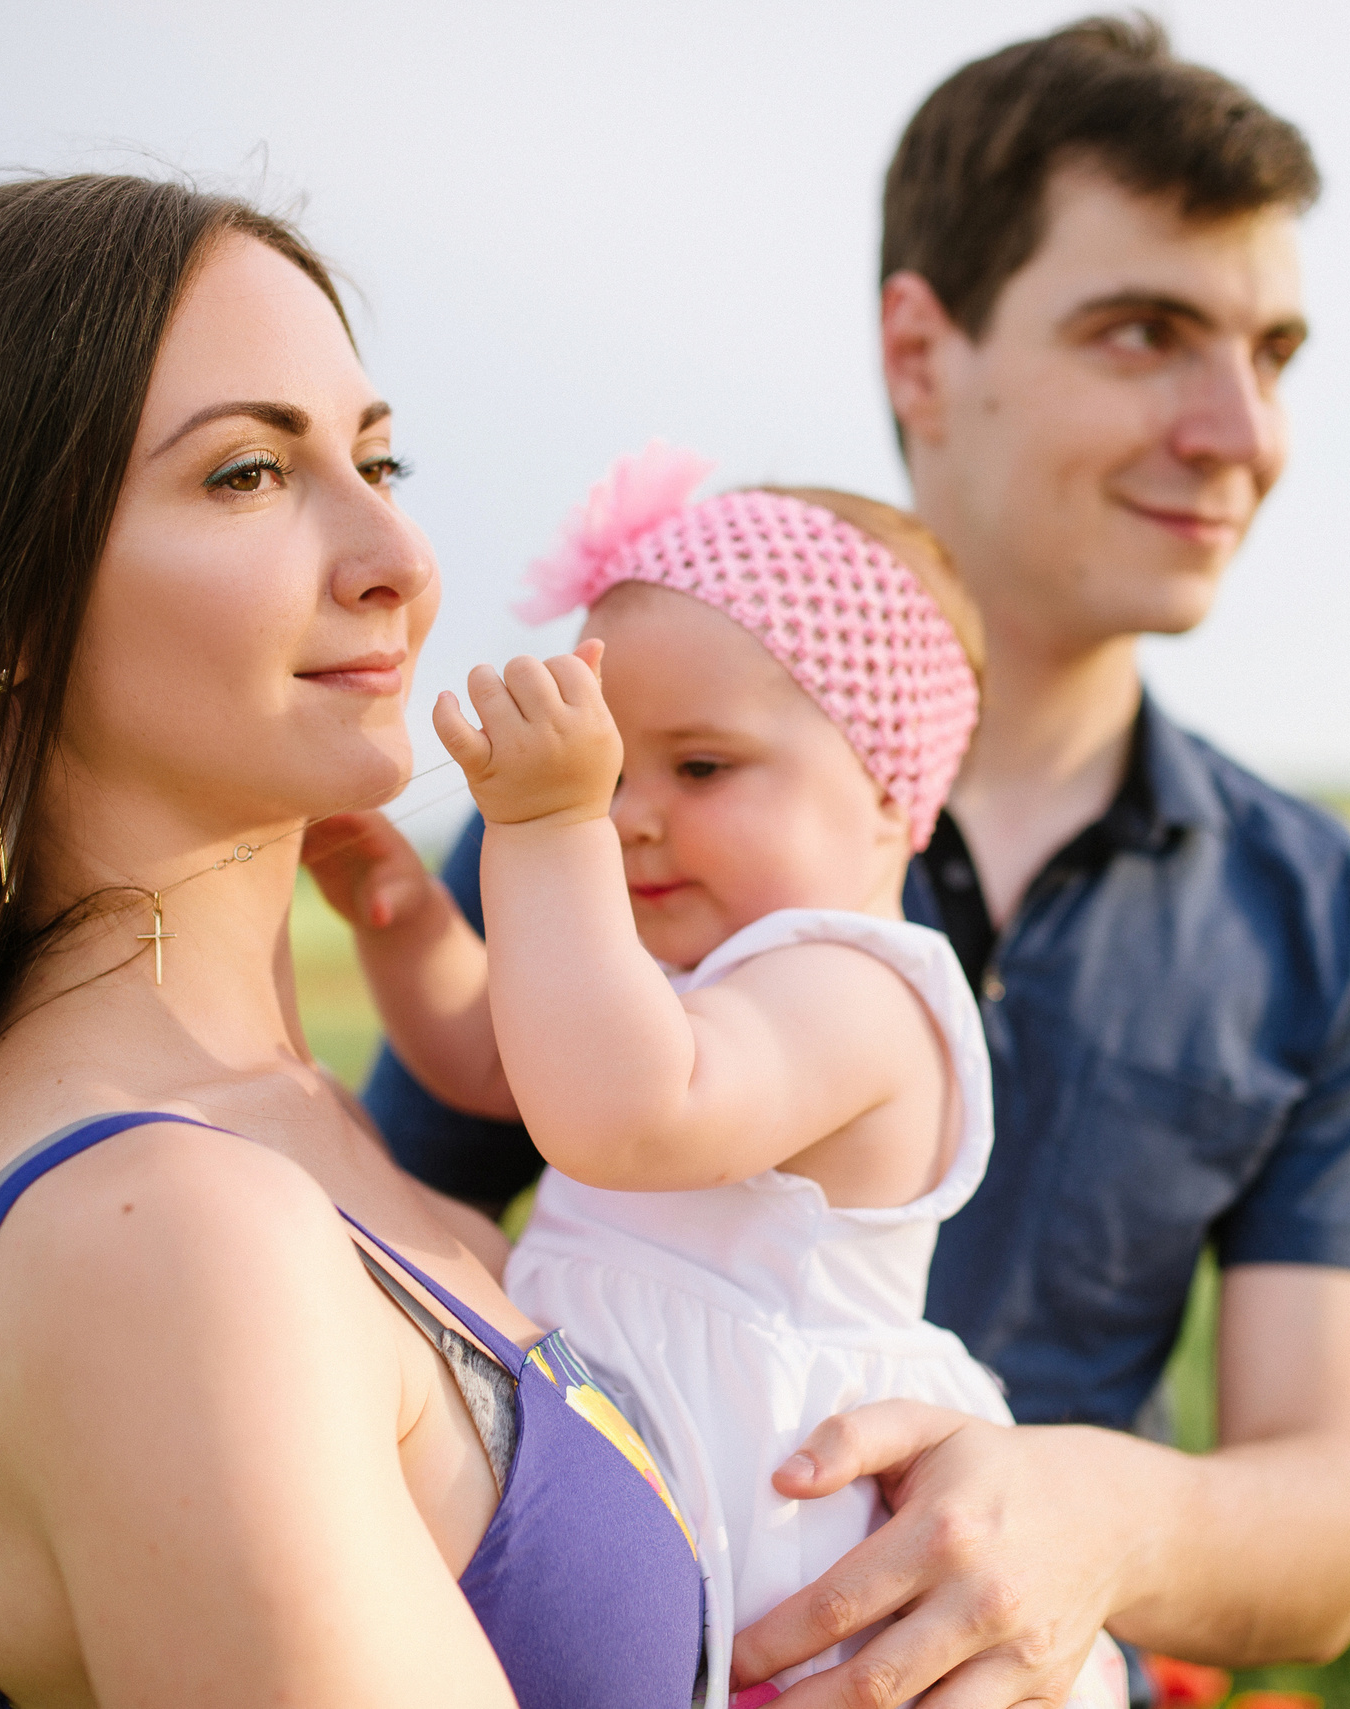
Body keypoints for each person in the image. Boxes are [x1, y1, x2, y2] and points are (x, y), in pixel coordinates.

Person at [364, 16, 1350, 1704]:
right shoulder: (606, 826)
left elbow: (1328, 1526)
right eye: (1147, 331)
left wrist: (1094, 1519)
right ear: (920, 351)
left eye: (1274, 348)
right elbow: (414, 1196)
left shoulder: (1318, 914)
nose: (1239, 427)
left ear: (890, 806)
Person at [0, 174, 704, 1709]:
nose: (400, 562)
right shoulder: (161, 1243)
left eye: (376, 457)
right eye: (244, 475)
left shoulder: (276, 1130)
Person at [306, 454, 1125, 1705]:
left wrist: (542, 829)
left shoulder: (858, 988)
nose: (628, 814)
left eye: (698, 769)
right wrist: (407, 920)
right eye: (613, 770)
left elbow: (627, 1113)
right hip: (673, 1482)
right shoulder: (670, 980)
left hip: (798, 1539)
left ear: (890, 791)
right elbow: (496, 1063)